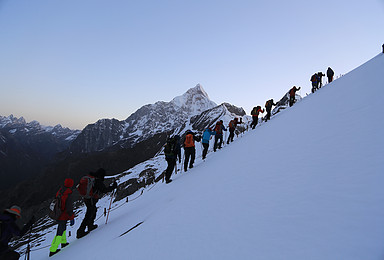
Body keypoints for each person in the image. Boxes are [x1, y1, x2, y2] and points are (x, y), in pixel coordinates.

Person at [76, 168, 117, 239]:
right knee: (89, 213)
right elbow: (104, 190)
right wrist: (113, 187)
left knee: (93, 210)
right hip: (91, 199)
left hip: (87, 198)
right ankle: (80, 231)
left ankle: (90, 225)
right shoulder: (97, 181)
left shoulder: (92, 178)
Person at [49, 178, 75, 257]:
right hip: (63, 215)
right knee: (60, 232)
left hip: (58, 213)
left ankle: (63, 242)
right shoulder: (68, 194)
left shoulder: (60, 191)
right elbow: (69, 208)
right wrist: (72, 218)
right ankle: (53, 249)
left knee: (62, 228)